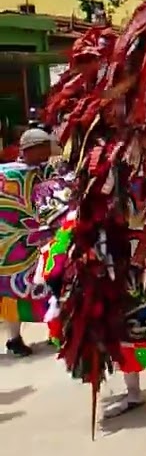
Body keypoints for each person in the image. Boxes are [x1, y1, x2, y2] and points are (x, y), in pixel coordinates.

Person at [0, 127, 58, 357]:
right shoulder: (8, 174)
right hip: (12, 245)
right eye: (44, 148)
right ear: (32, 149)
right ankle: (14, 338)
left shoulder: (44, 171)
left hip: (36, 242)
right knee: (9, 292)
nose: (48, 152)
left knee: (48, 284)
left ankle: (53, 331)